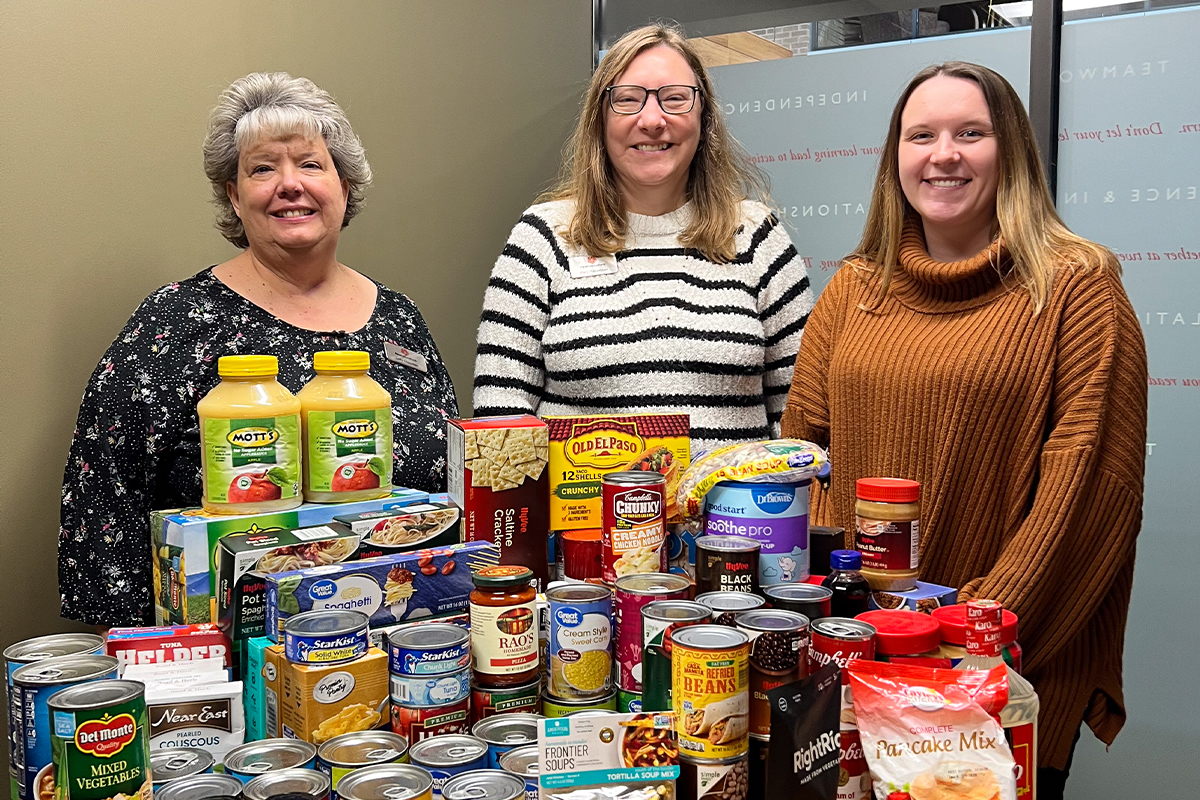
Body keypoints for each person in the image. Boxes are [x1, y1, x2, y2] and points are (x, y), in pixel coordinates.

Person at [782, 62, 1147, 798]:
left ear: (1009, 150)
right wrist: (852, 621)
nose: (943, 154)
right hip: (862, 654)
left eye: (970, 133)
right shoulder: (856, 286)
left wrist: (967, 638)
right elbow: (804, 455)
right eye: (922, 135)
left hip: (1001, 663)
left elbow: (1090, 490)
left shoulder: (1076, 284)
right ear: (896, 159)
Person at [59, 72, 458, 627]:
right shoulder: (175, 322)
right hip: (218, 664)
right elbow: (103, 499)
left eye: (311, 164)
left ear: (344, 185)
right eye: (262, 168)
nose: (289, 184)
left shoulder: (400, 319)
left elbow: (446, 487)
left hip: (404, 641)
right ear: (234, 194)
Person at [473, 24, 812, 450]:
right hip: (577, 513)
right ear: (600, 120)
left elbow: (801, 422)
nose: (652, 120)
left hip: (737, 517)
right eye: (628, 100)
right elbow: (500, 429)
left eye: (674, 98)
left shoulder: (758, 237)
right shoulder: (542, 237)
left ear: (704, 116)